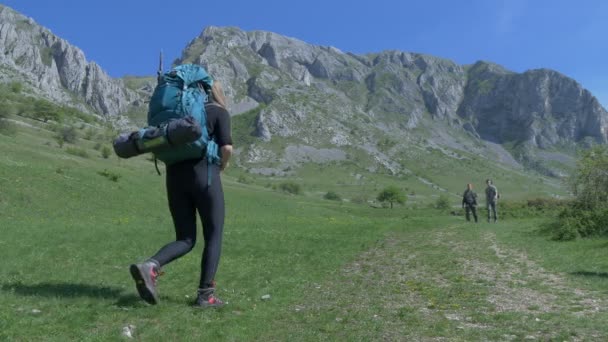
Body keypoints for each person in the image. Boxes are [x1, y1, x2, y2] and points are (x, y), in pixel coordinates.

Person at [129, 80, 233, 307]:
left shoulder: (179, 118)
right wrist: (222, 167)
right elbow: (226, 148)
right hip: (204, 174)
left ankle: (151, 266)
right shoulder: (218, 111)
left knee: (186, 238)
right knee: (213, 235)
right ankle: (206, 295)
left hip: (174, 176)